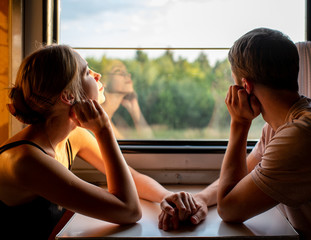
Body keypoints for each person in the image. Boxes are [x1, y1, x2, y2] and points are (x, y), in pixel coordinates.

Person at [159, 28, 311, 240]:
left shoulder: (301, 135)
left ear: (245, 86)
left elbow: (229, 209)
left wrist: (239, 123)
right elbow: (246, 174)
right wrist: (199, 199)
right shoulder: (287, 123)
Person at [0, 44, 204, 239]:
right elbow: (129, 211)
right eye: (87, 72)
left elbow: (130, 177)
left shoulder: (72, 136)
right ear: (68, 96)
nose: (98, 75)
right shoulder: (26, 160)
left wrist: (166, 197)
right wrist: (104, 129)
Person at [100, 59, 153, 139]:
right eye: (119, 72)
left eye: (126, 72)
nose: (128, 75)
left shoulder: (117, 120)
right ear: (104, 81)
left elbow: (150, 142)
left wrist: (135, 109)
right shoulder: (99, 118)